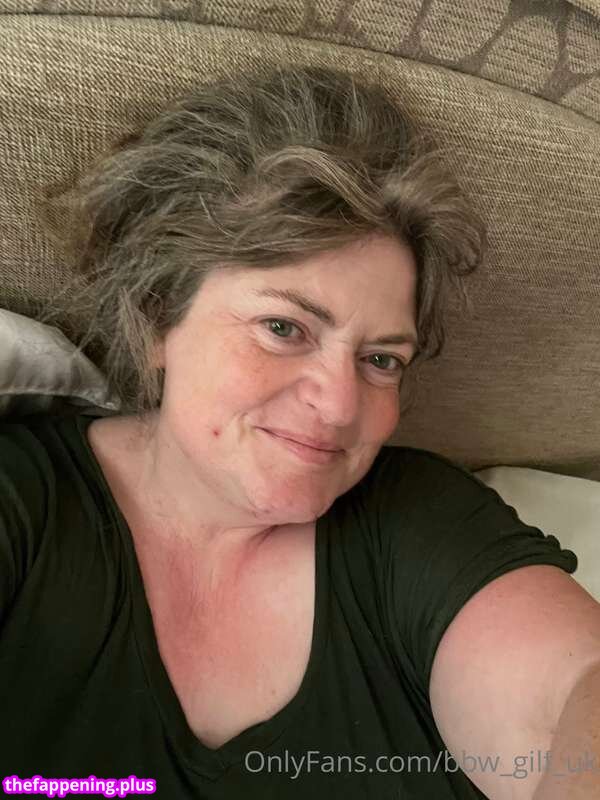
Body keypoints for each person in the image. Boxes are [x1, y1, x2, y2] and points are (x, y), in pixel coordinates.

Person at [1, 64, 599, 800]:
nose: (342, 404)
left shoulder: (415, 519)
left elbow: (569, 696)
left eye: (381, 359)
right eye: (283, 328)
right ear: (157, 315)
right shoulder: (22, 504)